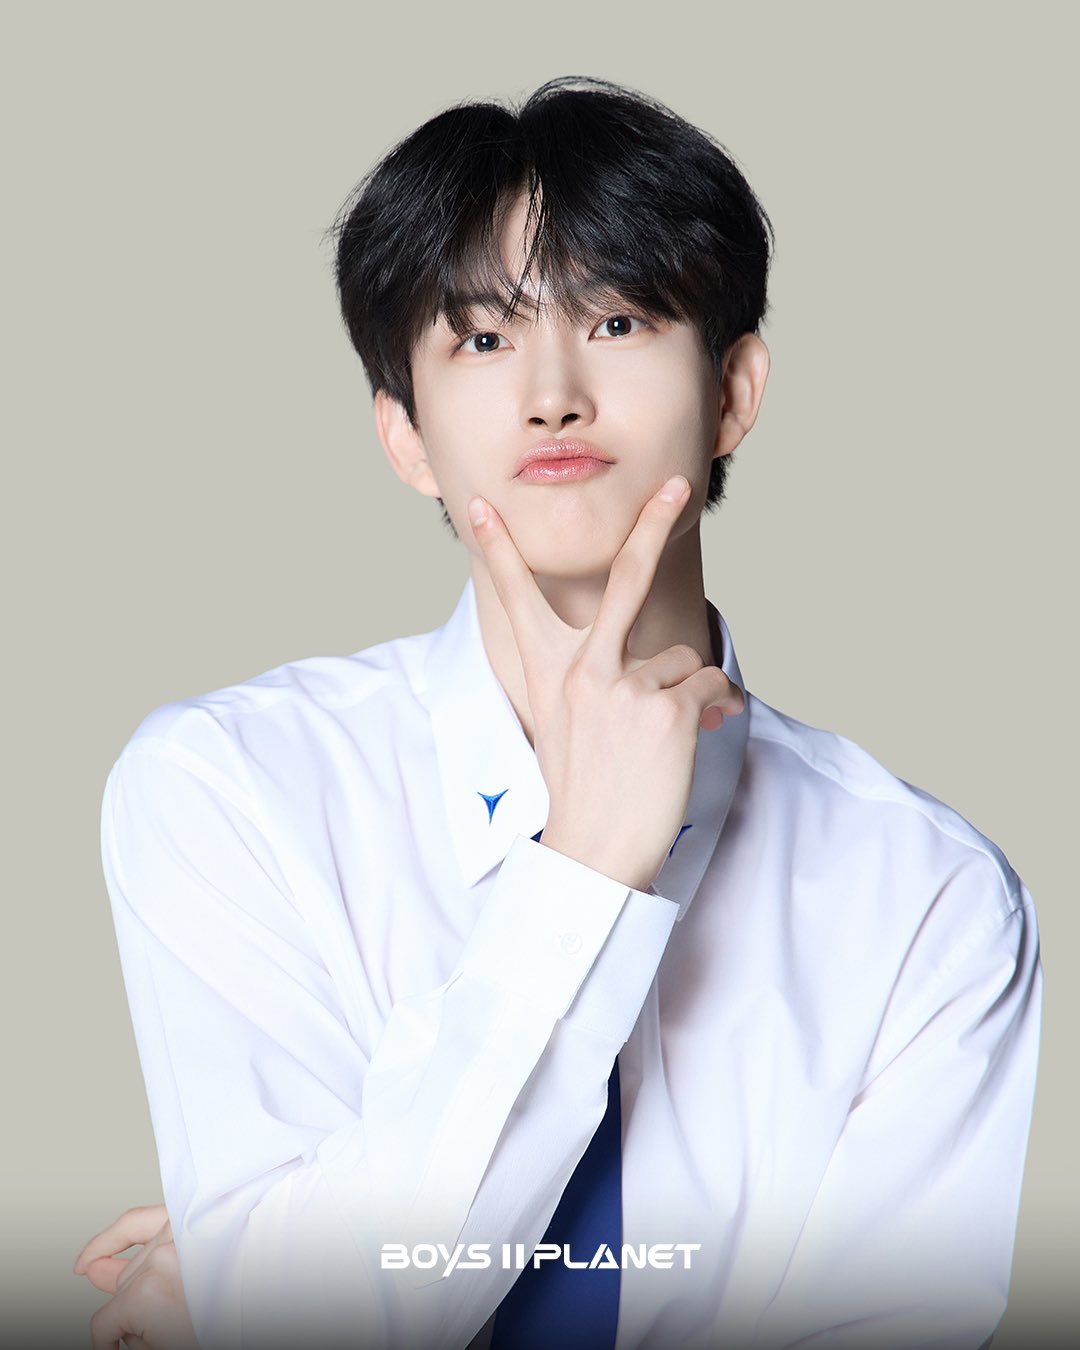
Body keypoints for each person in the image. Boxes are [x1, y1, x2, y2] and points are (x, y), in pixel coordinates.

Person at [75, 75, 1042, 1350]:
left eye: (620, 319)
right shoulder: (232, 791)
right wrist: (584, 870)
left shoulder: (927, 899)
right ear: (403, 433)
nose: (552, 393)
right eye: (482, 339)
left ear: (733, 391)